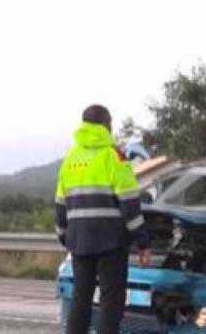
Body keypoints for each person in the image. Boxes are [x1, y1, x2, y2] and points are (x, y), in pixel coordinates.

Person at [55, 104, 151, 334]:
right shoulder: (113, 155)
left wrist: (64, 235)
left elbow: (60, 203)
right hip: (111, 241)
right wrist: (143, 241)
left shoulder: (70, 158)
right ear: (107, 125)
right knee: (111, 300)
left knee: (81, 298)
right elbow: (129, 202)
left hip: (79, 240)